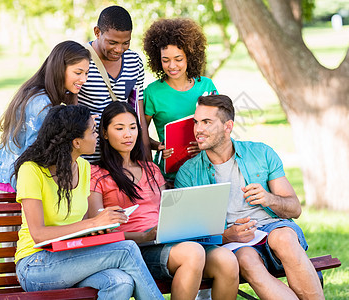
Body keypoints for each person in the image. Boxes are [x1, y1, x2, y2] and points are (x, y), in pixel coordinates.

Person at [175, 95, 325, 300]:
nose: (198, 129)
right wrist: (228, 235)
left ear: (228, 126)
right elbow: (189, 233)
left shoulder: (261, 153)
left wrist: (269, 199)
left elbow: (294, 209)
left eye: (206, 122)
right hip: (234, 242)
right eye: (196, 122)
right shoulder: (189, 173)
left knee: (285, 238)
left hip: (273, 227)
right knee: (245, 260)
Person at [88, 101, 239, 300]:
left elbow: (170, 210)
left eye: (133, 128)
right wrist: (144, 236)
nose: (128, 134)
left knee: (226, 260)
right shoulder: (97, 174)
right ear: (105, 133)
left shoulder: (152, 169)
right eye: (120, 128)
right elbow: (99, 232)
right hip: (135, 250)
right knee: (192, 253)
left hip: (169, 241)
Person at [13, 105, 163, 300]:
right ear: (76, 142)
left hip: (73, 255)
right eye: (93, 131)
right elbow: (39, 235)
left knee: (120, 282)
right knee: (126, 249)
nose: (97, 136)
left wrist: (102, 224)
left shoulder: (83, 167)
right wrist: (94, 222)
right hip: (36, 264)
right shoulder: (31, 170)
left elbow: (80, 225)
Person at [0, 40, 90, 192]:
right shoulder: (41, 103)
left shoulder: (40, 94)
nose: (84, 79)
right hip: (15, 189)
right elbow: (37, 153)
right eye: (78, 73)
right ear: (60, 68)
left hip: (14, 183)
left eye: (86, 73)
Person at [143, 18, 217, 185]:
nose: (172, 66)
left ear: (189, 57)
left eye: (178, 59)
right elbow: (140, 134)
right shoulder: (152, 93)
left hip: (205, 169)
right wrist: (158, 146)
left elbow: (219, 124)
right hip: (169, 175)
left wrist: (206, 144)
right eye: (165, 60)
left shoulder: (206, 85)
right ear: (157, 59)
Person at [78, 5, 150, 162]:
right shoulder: (79, 61)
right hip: (88, 159)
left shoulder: (134, 62)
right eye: (112, 42)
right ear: (97, 32)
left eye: (125, 43)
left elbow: (138, 113)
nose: (119, 49)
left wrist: (146, 160)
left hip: (121, 159)